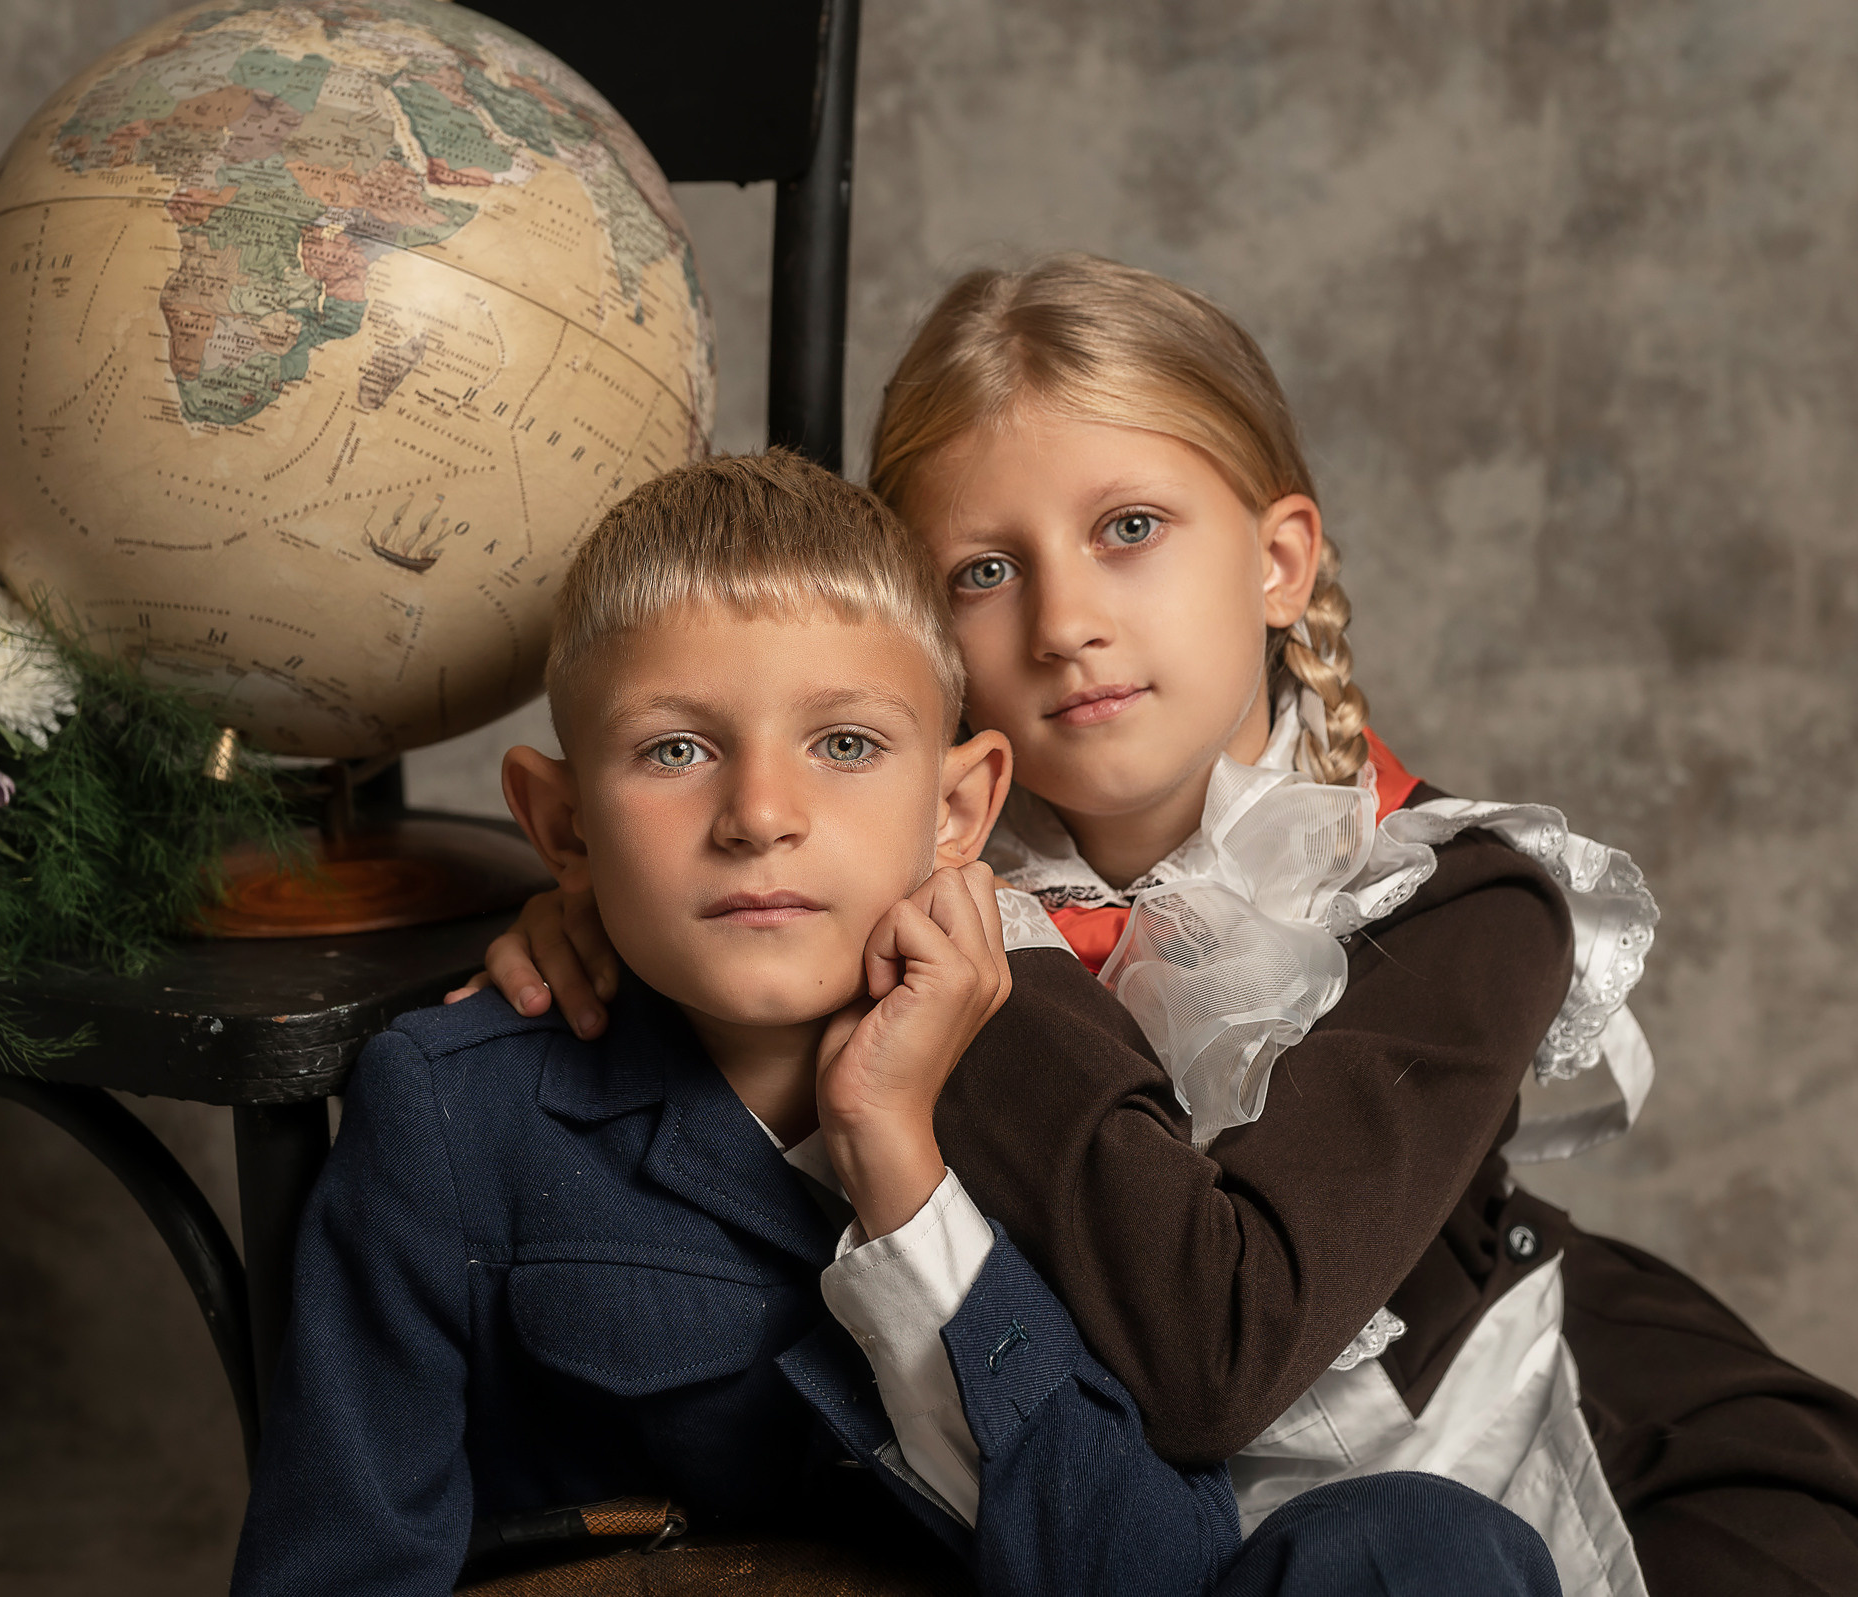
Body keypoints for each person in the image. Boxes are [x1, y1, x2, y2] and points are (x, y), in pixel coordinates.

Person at [456, 258, 1858, 1597]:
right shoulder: (853, 871)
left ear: (1278, 560)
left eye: (1129, 529)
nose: (1067, 621)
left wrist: (1002, 969)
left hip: (1555, 1439)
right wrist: (590, 915)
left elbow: (1213, 1361)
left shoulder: (1465, 902)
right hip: (1118, 1526)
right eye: (982, 574)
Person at [234, 452, 1561, 1596]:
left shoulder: (1049, 1071)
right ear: (563, 825)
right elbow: (341, 1565)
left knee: (1418, 1549)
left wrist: (906, 1178)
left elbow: (1148, 1573)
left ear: (960, 810)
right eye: (677, 750)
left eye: (848, 745)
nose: (761, 812)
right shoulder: (456, 1112)